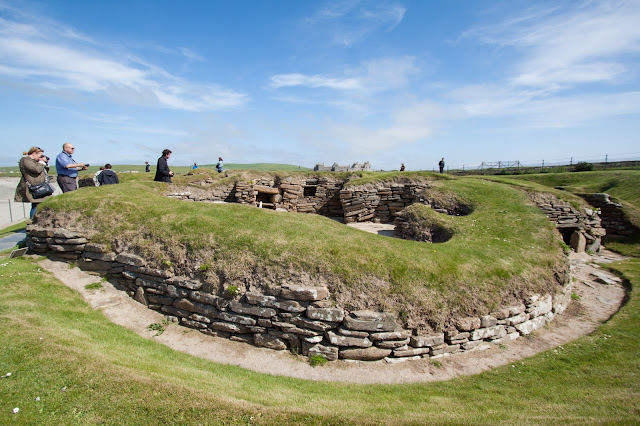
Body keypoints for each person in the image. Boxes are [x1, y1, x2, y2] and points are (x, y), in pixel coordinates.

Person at [15, 147, 53, 218]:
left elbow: (43, 172)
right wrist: (41, 162)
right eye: (40, 156)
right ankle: (32, 221)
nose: (40, 157)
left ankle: (40, 219)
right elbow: (36, 170)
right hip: (34, 186)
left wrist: (44, 163)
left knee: (41, 203)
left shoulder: (34, 162)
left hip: (41, 185)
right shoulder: (25, 161)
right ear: (34, 153)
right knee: (36, 205)